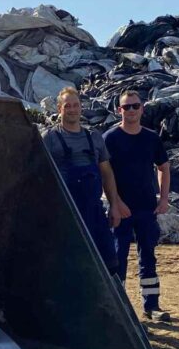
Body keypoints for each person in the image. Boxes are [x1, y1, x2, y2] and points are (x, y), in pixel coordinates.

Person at [43, 87, 129, 275]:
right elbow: (40, 175)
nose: (72, 109)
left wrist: (114, 205)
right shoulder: (50, 138)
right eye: (68, 106)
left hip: (94, 211)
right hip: (66, 213)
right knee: (72, 264)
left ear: (81, 107)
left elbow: (107, 174)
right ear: (59, 109)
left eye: (76, 105)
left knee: (109, 263)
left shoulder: (94, 137)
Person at [104, 90, 172, 321]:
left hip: (146, 208)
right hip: (120, 210)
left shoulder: (151, 138)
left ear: (142, 109)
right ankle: (119, 309)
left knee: (148, 258)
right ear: (118, 110)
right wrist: (115, 203)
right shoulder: (110, 139)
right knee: (117, 258)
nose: (131, 111)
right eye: (126, 107)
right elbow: (105, 173)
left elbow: (163, 167)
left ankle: (151, 306)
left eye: (135, 106)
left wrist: (163, 199)